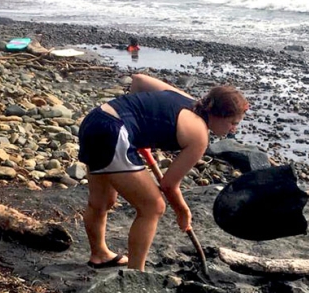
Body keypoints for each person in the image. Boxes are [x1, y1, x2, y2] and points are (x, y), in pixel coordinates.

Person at [78, 73, 248, 270]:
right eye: (233, 123)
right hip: (114, 133)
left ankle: (99, 254)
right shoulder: (199, 135)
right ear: (218, 115)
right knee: (153, 207)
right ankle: (136, 274)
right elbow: (168, 185)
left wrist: (138, 126)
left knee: (102, 201)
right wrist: (183, 211)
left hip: (96, 120)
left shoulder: (184, 98)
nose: (233, 130)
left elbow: (139, 80)